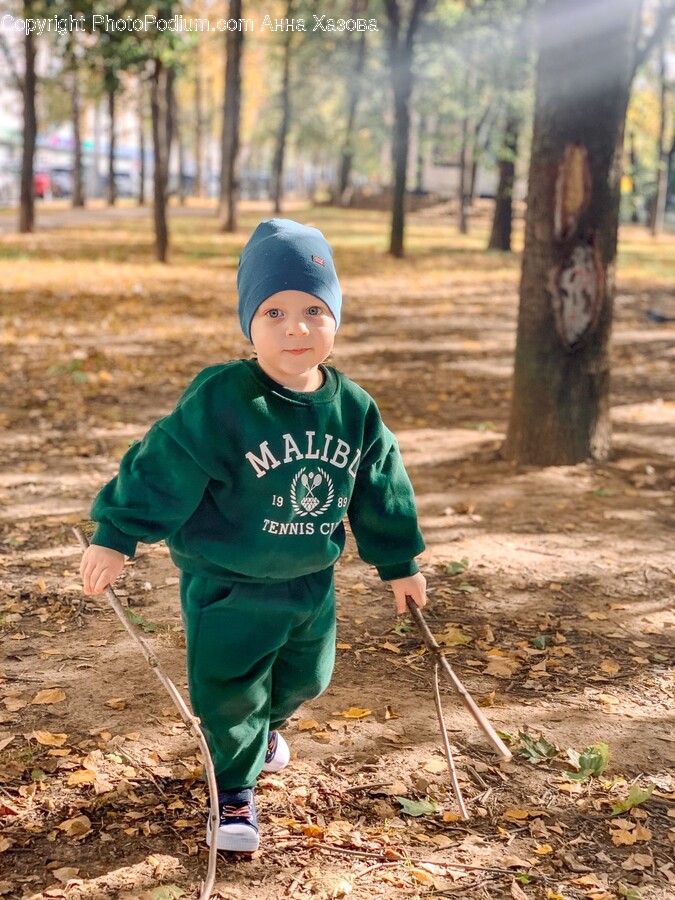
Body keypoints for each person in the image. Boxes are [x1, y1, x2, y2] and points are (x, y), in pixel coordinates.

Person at [80, 218, 427, 853]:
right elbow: (164, 462)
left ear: (335, 319)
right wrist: (116, 533)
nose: (295, 327)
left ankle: (264, 732)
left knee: (307, 679)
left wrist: (398, 560)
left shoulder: (353, 407)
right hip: (228, 584)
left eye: (313, 309)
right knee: (232, 692)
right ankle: (234, 797)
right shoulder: (225, 399)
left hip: (309, 582)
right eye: (273, 311)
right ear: (250, 323)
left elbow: (381, 485)